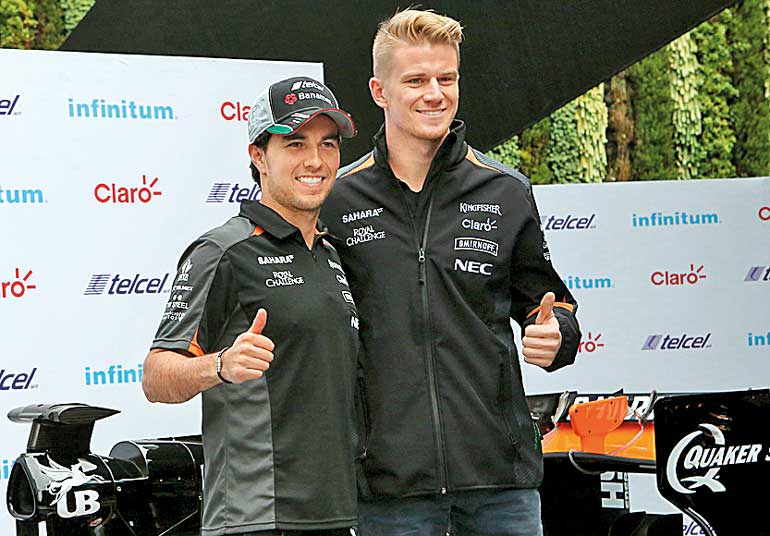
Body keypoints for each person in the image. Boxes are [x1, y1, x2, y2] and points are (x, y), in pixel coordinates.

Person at [320, 10, 581, 536]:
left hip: (499, 484)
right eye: (415, 80)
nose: (434, 94)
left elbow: (551, 302)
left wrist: (558, 335)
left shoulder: (505, 190)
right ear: (379, 90)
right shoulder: (337, 198)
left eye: (447, 78)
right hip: (390, 489)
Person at [143, 76, 360, 536]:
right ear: (259, 156)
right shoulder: (225, 251)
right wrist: (220, 365)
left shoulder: (332, 254)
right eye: (295, 143)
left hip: (336, 514)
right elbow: (156, 376)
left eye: (328, 144)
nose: (315, 161)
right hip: (256, 517)